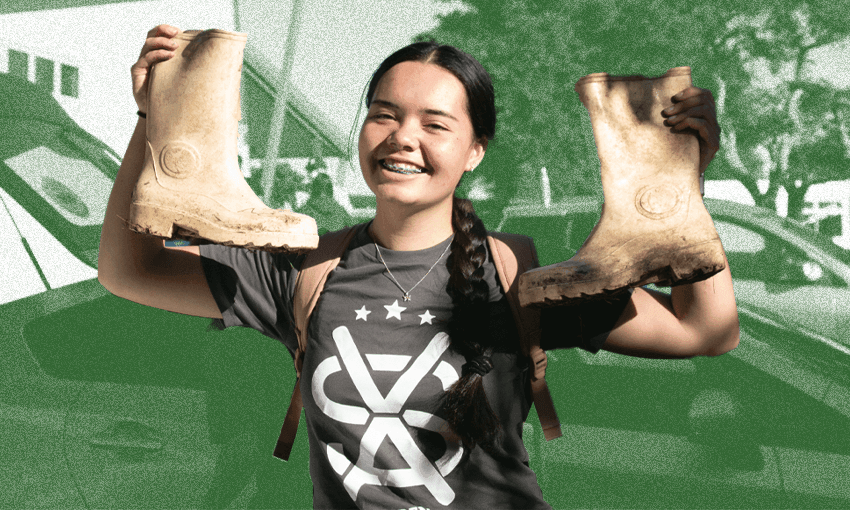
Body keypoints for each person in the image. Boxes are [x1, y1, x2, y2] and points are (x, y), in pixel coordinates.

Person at [98, 24, 740, 510]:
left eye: (435, 124)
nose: (403, 137)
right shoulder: (303, 270)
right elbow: (129, 271)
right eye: (384, 114)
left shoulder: (518, 274)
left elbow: (705, 332)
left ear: (474, 151)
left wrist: (679, 188)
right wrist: (154, 120)